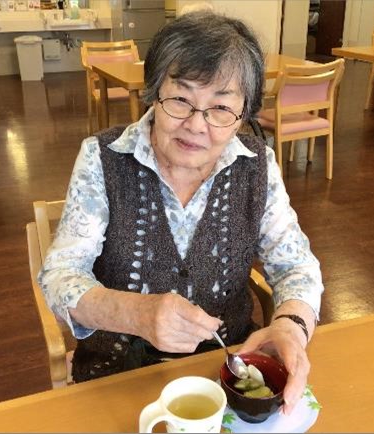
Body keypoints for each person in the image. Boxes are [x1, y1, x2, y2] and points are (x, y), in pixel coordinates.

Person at [38, 11, 324, 415]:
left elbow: (296, 265)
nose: (196, 125)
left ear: (244, 114)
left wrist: (290, 327)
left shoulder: (256, 165)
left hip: (227, 372)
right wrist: (137, 313)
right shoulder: (103, 158)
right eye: (180, 100)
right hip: (119, 376)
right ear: (154, 92)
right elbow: (60, 275)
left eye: (221, 108)